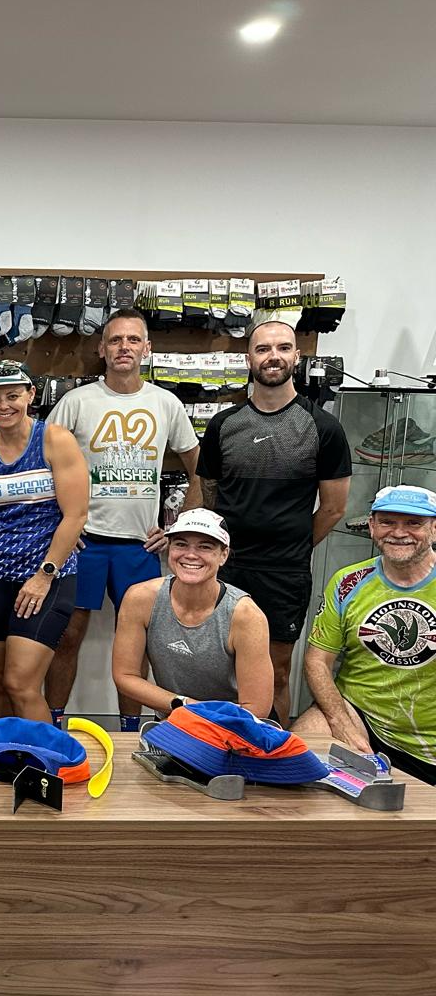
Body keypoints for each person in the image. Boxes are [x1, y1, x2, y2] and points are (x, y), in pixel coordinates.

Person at [46, 307, 202, 730]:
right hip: (85, 542)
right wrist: (61, 524)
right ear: (101, 349)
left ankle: (133, 731)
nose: (124, 347)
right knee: (67, 636)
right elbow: (44, 465)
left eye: (133, 340)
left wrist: (179, 529)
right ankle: (54, 724)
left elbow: (199, 468)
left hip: (139, 545)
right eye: (115, 340)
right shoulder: (76, 402)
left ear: (147, 348)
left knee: (135, 646)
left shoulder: (165, 403)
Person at [198, 320, 351, 722]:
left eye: (283, 348)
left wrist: (292, 545)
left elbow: (334, 509)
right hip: (227, 567)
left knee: (275, 674)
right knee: (218, 672)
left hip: (284, 573)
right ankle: (215, 745)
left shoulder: (323, 428)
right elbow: (209, 492)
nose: (273, 357)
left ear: (297, 356)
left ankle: (272, 751)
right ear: (249, 358)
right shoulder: (223, 425)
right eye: (263, 349)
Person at [0, 360, 88, 722]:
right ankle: (4, 749)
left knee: (21, 684)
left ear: (31, 395)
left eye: (13, 396)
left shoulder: (55, 440)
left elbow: (76, 515)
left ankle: (48, 753)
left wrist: (44, 575)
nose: (4, 406)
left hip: (47, 577)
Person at [296, 485, 436, 785]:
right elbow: (317, 661)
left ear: (434, 529)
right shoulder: (347, 582)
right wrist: (341, 723)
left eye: (414, 523)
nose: (399, 533)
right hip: (360, 715)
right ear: (372, 526)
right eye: (387, 522)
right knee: (298, 749)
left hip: (427, 739)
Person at [111, 508, 272, 720]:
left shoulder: (246, 616)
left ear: (223, 555)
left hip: (232, 725)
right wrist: (184, 705)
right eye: (181, 544)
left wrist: (202, 716)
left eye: (205, 547)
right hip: (173, 718)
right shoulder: (140, 598)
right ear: (169, 548)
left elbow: (257, 708)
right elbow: (125, 675)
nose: (190, 554)